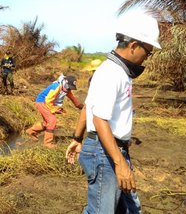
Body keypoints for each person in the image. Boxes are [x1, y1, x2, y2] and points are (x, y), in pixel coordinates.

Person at [65, 11, 161, 213]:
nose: (147, 58)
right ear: (134, 45)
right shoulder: (111, 73)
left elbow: (89, 107)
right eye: (148, 52)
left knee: (130, 210)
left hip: (112, 150)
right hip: (105, 152)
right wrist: (120, 163)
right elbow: (99, 119)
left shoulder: (119, 72)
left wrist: (76, 138)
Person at [26, 75, 84, 148]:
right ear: (65, 83)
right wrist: (54, 109)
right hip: (42, 102)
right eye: (69, 87)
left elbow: (73, 98)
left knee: (46, 123)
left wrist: (81, 106)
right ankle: (48, 143)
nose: (69, 89)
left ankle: (31, 131)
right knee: (52, 120)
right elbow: (48, 100)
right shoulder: (56, 86)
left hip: (47, 103)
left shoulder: (66, 89)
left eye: (71, 88)